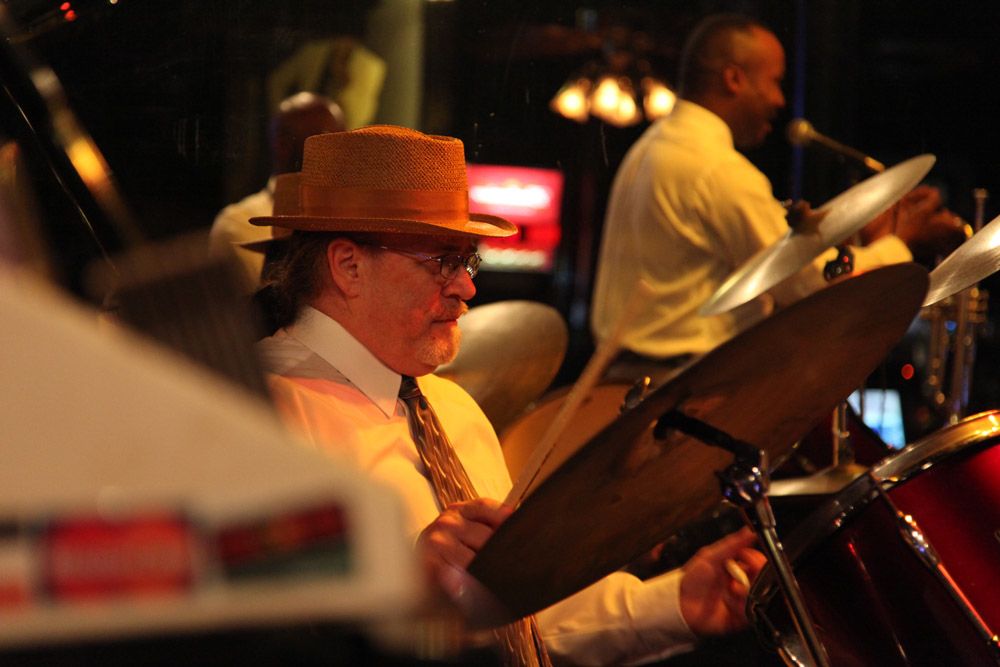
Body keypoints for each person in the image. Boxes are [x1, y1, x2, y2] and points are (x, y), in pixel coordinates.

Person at [253, 125, 766, 666]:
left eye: (468, 261)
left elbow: (519, 619)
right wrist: (404, 587)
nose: (466, 287)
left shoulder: (452, 409)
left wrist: (674, 604)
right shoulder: (256, 416)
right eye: (442, 261)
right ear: (349, 266)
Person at [590, 14, 965, 387]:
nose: (780, 100)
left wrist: (860, 238)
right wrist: (901, 243)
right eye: (774, 82)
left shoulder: (651, 148)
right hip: (685, 392)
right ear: (734, 79)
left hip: (628, 386)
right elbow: (808, 286)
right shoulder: (716, 169)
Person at [209, 91, 345, 290]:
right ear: (282, 145)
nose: (342, 151)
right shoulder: (238, 223)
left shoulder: (350, 217)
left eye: (345, 139)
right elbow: (266, 303)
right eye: (327, 139)